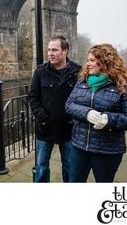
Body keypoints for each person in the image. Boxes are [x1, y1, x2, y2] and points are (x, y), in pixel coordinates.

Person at [65, 44, 127, 182]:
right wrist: (87, 113)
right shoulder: (82, 81)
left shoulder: (124, 84)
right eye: (88, 60)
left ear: (105, 61)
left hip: (108, 149)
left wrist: (108, 119)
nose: (88, 64)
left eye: (92, 60)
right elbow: (69, 105)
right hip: (80, 146)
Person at [28, 35, 81, 182]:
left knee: (70, 166)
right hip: (45, 128)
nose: (50, 53)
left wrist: (74, 119)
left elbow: (83, 99)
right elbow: (32, 97)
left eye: (54, 50)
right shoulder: (40, 72)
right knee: (41, 166)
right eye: (49, 50)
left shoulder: (78, 72)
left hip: (69, 129)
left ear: (65, 51)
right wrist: (43, 118)